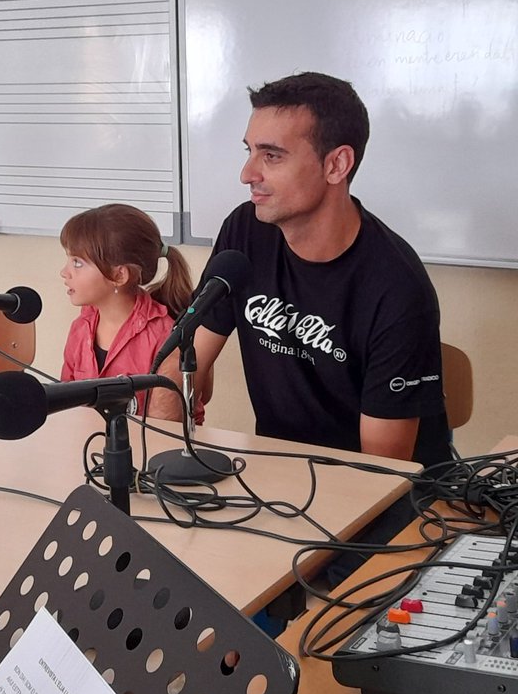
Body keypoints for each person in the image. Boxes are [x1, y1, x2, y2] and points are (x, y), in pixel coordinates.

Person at [193, 71, 450, 468]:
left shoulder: (397, 288)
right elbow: (185, 362)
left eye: (272, 155)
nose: (247, 174)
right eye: (249, 151)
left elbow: (382, 473)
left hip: (387, 502)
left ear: (336, 165)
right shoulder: (245, 232)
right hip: (281, 476)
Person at [58, 203, 194, 420]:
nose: (64, 272)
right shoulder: (81, 327)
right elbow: (66, 403)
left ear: (119, 276)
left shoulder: (165, 336)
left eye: (77, 263)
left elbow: (185, 424)